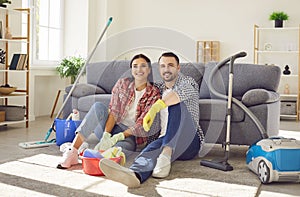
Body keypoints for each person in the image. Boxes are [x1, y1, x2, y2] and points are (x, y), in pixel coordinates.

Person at [99, 52, 205, 188]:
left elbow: (178, 95)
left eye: (171, 65)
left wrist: (157, 106)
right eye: (163, 66)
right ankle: (135, 175)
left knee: (175, 104)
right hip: (163, 138)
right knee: (148, 152)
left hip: (189, 142)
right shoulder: (157, 89)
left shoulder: (188, 82)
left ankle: (166, 153)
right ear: (159, 69)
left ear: (178, 68)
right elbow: (141, 88)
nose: (166, 69)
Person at [57, 54, 161, 169]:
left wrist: (119, 136)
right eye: (135, 66)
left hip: (130, 134)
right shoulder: (123, 84)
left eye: (143, 66)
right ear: (131, 69)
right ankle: (73, 151)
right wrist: (106, 135)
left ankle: (102, 158)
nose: (139, 70)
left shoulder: (154, 93)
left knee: (122, 148)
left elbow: (142, 123)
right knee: (98, 107)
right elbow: (114, 111)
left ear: (149, 70)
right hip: (110, 126)